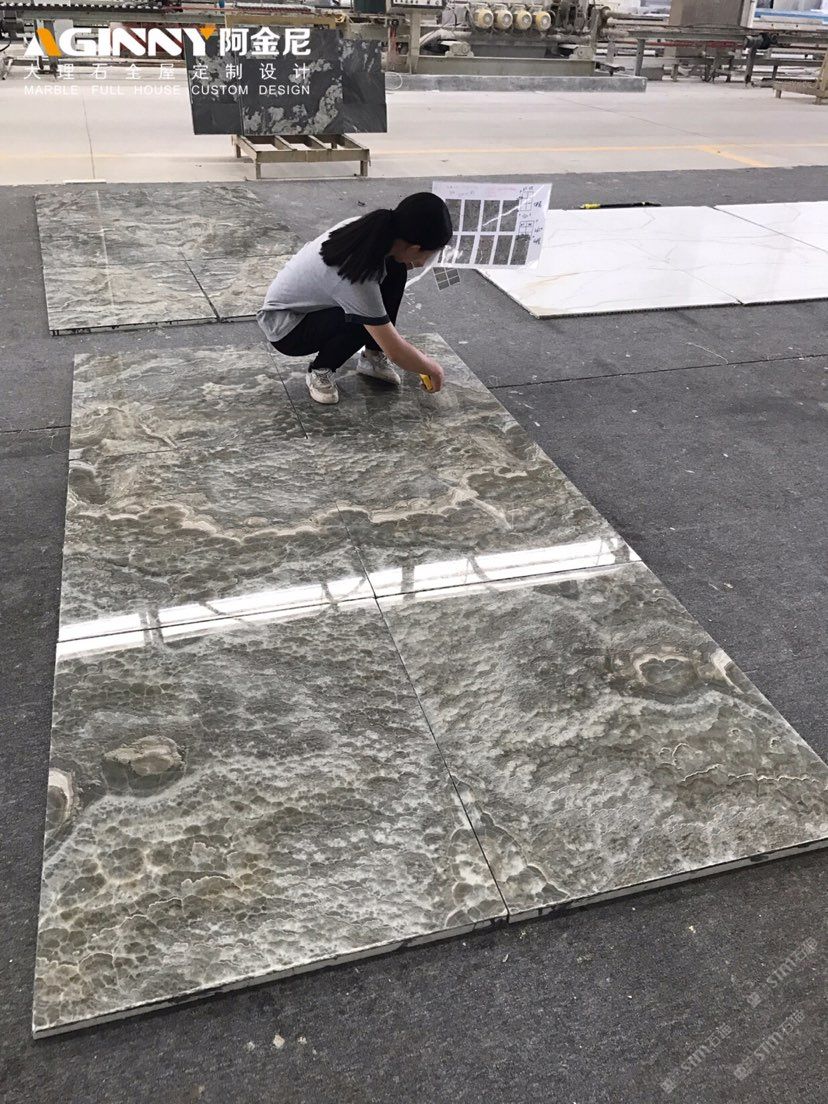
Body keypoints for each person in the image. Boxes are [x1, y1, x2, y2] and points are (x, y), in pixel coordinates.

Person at [257, 192, 453, 405]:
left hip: (310, 307)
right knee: (366, 319)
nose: (424, 263)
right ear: (415, 248)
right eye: (429, 255)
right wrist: (433, 369)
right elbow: (395, 351)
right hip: (287, 329)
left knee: (395, 269)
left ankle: (372, 356)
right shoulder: (357, 275)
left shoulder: (372, 230)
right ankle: (321, 369)